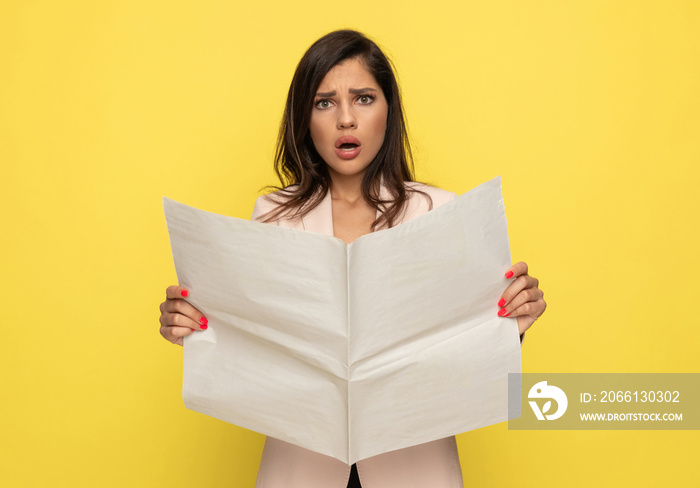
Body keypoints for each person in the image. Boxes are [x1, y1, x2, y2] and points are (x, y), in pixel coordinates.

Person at [159, 29, 546, 488]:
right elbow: (256, 347)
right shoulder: (273, 218)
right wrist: (198, 327)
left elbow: (459, 344)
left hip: (414, 469)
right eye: (324, 102)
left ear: (388, 110)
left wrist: (508, 328)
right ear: (304, 119)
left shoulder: (440, 213)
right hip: (301, 470)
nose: (346, 119)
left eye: (363, 98)